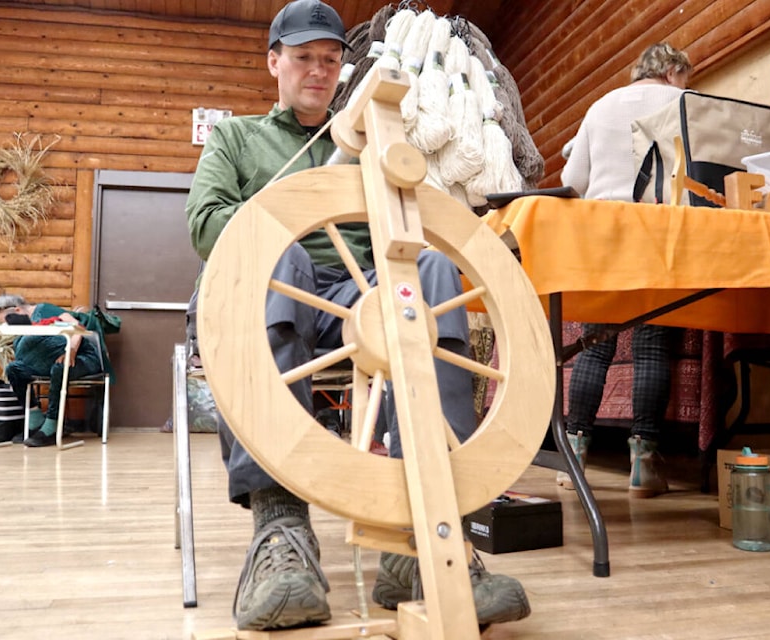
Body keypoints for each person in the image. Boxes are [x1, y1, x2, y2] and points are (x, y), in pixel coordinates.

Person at [184, 0, 530, 631]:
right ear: (274, 63)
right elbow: (206, 226)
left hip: (353, 302)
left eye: (329, 59)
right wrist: (277, 218)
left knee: (426, 269)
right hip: (261, 294)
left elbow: (398, 236)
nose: (317, 71)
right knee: (280, 258)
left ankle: (422, 540)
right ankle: (280, 534)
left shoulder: (369, 143)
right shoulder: (236, 138)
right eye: (303, 58)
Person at [559, 42, 693, 498]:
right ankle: (644, 463)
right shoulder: (685, 103)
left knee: (595, 345)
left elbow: (572, 184)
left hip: (603, 239)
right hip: (658, 234)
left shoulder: (600, 106)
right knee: (652, 344)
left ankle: (574, 452)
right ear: (674, 70)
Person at [0, 293, 103, 447]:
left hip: (82, 357)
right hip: (49, 361)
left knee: (60, 367)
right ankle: (36, 420)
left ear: (17, 310)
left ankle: (52, 426)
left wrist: (70, 351)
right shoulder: (26, 324)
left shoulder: (44, 310)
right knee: (14, 369)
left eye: (7, 321)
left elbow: (77, 326)